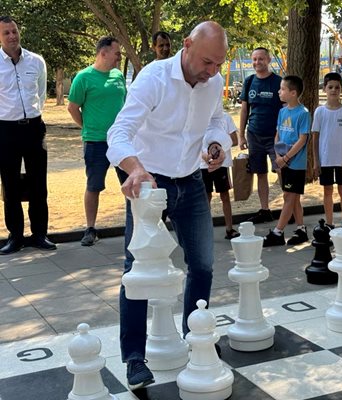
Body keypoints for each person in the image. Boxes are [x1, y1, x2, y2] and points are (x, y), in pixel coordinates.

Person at [106, 21, 231, 390]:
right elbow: (120, 131)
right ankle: (133, 358)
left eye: (219, 64)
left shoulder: (215, 82)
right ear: (187, 44)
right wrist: (136, 168)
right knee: (136, 271)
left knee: (204, 265)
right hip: (149, 185)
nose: (213, 71)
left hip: (191, 182)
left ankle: (197, 341)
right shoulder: (153, 78)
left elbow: (216, 121)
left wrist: (216, 145)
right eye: (208, 62)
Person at [0, 16, 56, 255]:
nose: (12, 36)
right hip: (5, 130)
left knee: (38, 184)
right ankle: (16, 237)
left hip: (33, 128)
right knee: (10, 184)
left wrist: (33, 116)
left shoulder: (36, 61)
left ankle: (39, 234)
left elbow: (41, 94)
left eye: (14, 31)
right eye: (6, 33)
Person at [67, 36, 126, 246]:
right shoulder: (83, 78)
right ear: (103, 53)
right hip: (95, 141)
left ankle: (135, 226)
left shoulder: (118, 76)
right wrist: (88, 127)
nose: (120, 57)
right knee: (93, 186)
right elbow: (73, 108)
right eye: (117, 53)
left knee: (130, 183)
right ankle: (90, 229)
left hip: (121, 141)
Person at [263, 75, 310, 247]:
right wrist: (278, 157)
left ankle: (278, 232)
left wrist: (287, 157)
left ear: (293, 93)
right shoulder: (282, 112)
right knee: (292, 196)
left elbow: (302, 139)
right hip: (283, 161)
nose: (279, 91)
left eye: (282, 89)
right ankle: (301, 229)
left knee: (290, 196)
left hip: (296, 163)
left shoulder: (303, 113)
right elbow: (278, 135)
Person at [239, 47, 284, 224]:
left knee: (282, 171)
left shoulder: (278, 82)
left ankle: (290, 208)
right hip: (254, 135)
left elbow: (285, 111)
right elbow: (244, 110)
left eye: (261, 59)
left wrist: (280, 135)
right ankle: (265, 210)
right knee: (261, 174)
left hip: (275, 137)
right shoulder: (249, 81)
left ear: (269, 60)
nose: (257, 62)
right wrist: (241, 135)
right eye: (255, 59)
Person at [312, 72, 342, 227]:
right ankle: (329, 223)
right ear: (324, 89)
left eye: (337, 87)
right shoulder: (320, 112)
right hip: (325, 160)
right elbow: (315, 138)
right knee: (327, 191)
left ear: (341, 89)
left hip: (341, 159)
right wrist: (317, 161)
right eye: (330, 87)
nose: (333, 90)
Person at [201, 112, 240, 239]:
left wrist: (218, 146)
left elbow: (234, 140)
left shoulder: (225, 117)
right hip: (203, 165)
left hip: (222, 165)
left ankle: (229, 229)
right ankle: (205, 231)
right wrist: (205, 154)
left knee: (225, 196)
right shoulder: (199, 116)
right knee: (206, 197)